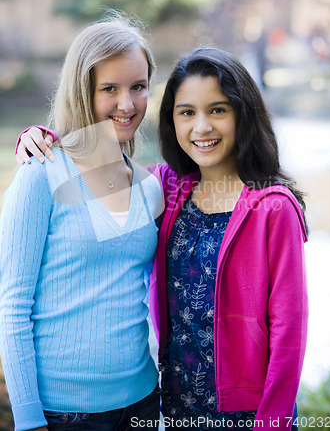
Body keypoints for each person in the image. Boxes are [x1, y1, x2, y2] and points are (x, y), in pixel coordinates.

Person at [15, 48, 308, 431]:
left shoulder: (271, 208)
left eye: (218, 110)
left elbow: (290, 328)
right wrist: (43, 138)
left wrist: (274, 423)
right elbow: (96, 166)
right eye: (187, 112)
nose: (201, 127)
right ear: (171, 120)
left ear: (243, 113)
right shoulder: (165, 188)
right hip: (175, 405)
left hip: (247, 412)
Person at [0, 13, 163, 431]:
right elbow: (13, 307)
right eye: (109, 88)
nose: (127, 104)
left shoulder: (149, 187)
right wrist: (28, 418)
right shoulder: (41, 173)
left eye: (138, 87)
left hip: (143, 404)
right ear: (82, 90)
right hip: (64, 415)